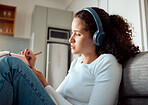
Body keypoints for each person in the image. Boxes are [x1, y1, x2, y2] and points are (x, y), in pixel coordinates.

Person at [0, 7, 140, 105]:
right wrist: (32, 70)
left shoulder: (107, 63)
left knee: (11, 65)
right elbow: (56, 95)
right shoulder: (76, 63)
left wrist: (45, 84)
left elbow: (50, 92)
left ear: (97, 38)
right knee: (10, 66)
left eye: (77, 34)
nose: (70, 39)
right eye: (72, 33)